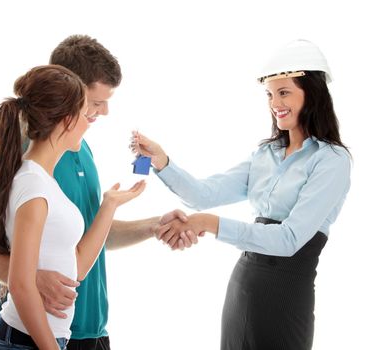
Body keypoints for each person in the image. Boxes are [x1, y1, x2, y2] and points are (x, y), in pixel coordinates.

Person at [0, 35, 198, 350]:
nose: (105, 112)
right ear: (64, 91)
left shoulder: (79, 148)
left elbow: (80, 237)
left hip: (86, 329)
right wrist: (26, 278)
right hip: (35, 331)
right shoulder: (20, 149)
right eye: (96, 102)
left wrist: (154, 226)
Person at [131, 39, 351, 350]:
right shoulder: (266, 154)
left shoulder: (331, 161)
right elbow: (202, 194)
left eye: (284, 92)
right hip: (243, 286)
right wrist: (162, 161)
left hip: (286, 296)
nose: (275, 102)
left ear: (312, 93)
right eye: (270, 94)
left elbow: (288, 240)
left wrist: (207, 223)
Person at [0, 64, 147, 349]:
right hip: (24, 342)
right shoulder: (33, 185)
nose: (89, 122)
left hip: (44, 339)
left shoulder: (45, 182)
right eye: (86, 114)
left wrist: (108, 206)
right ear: (67, 120)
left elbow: (76, 270)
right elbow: (20, 287)